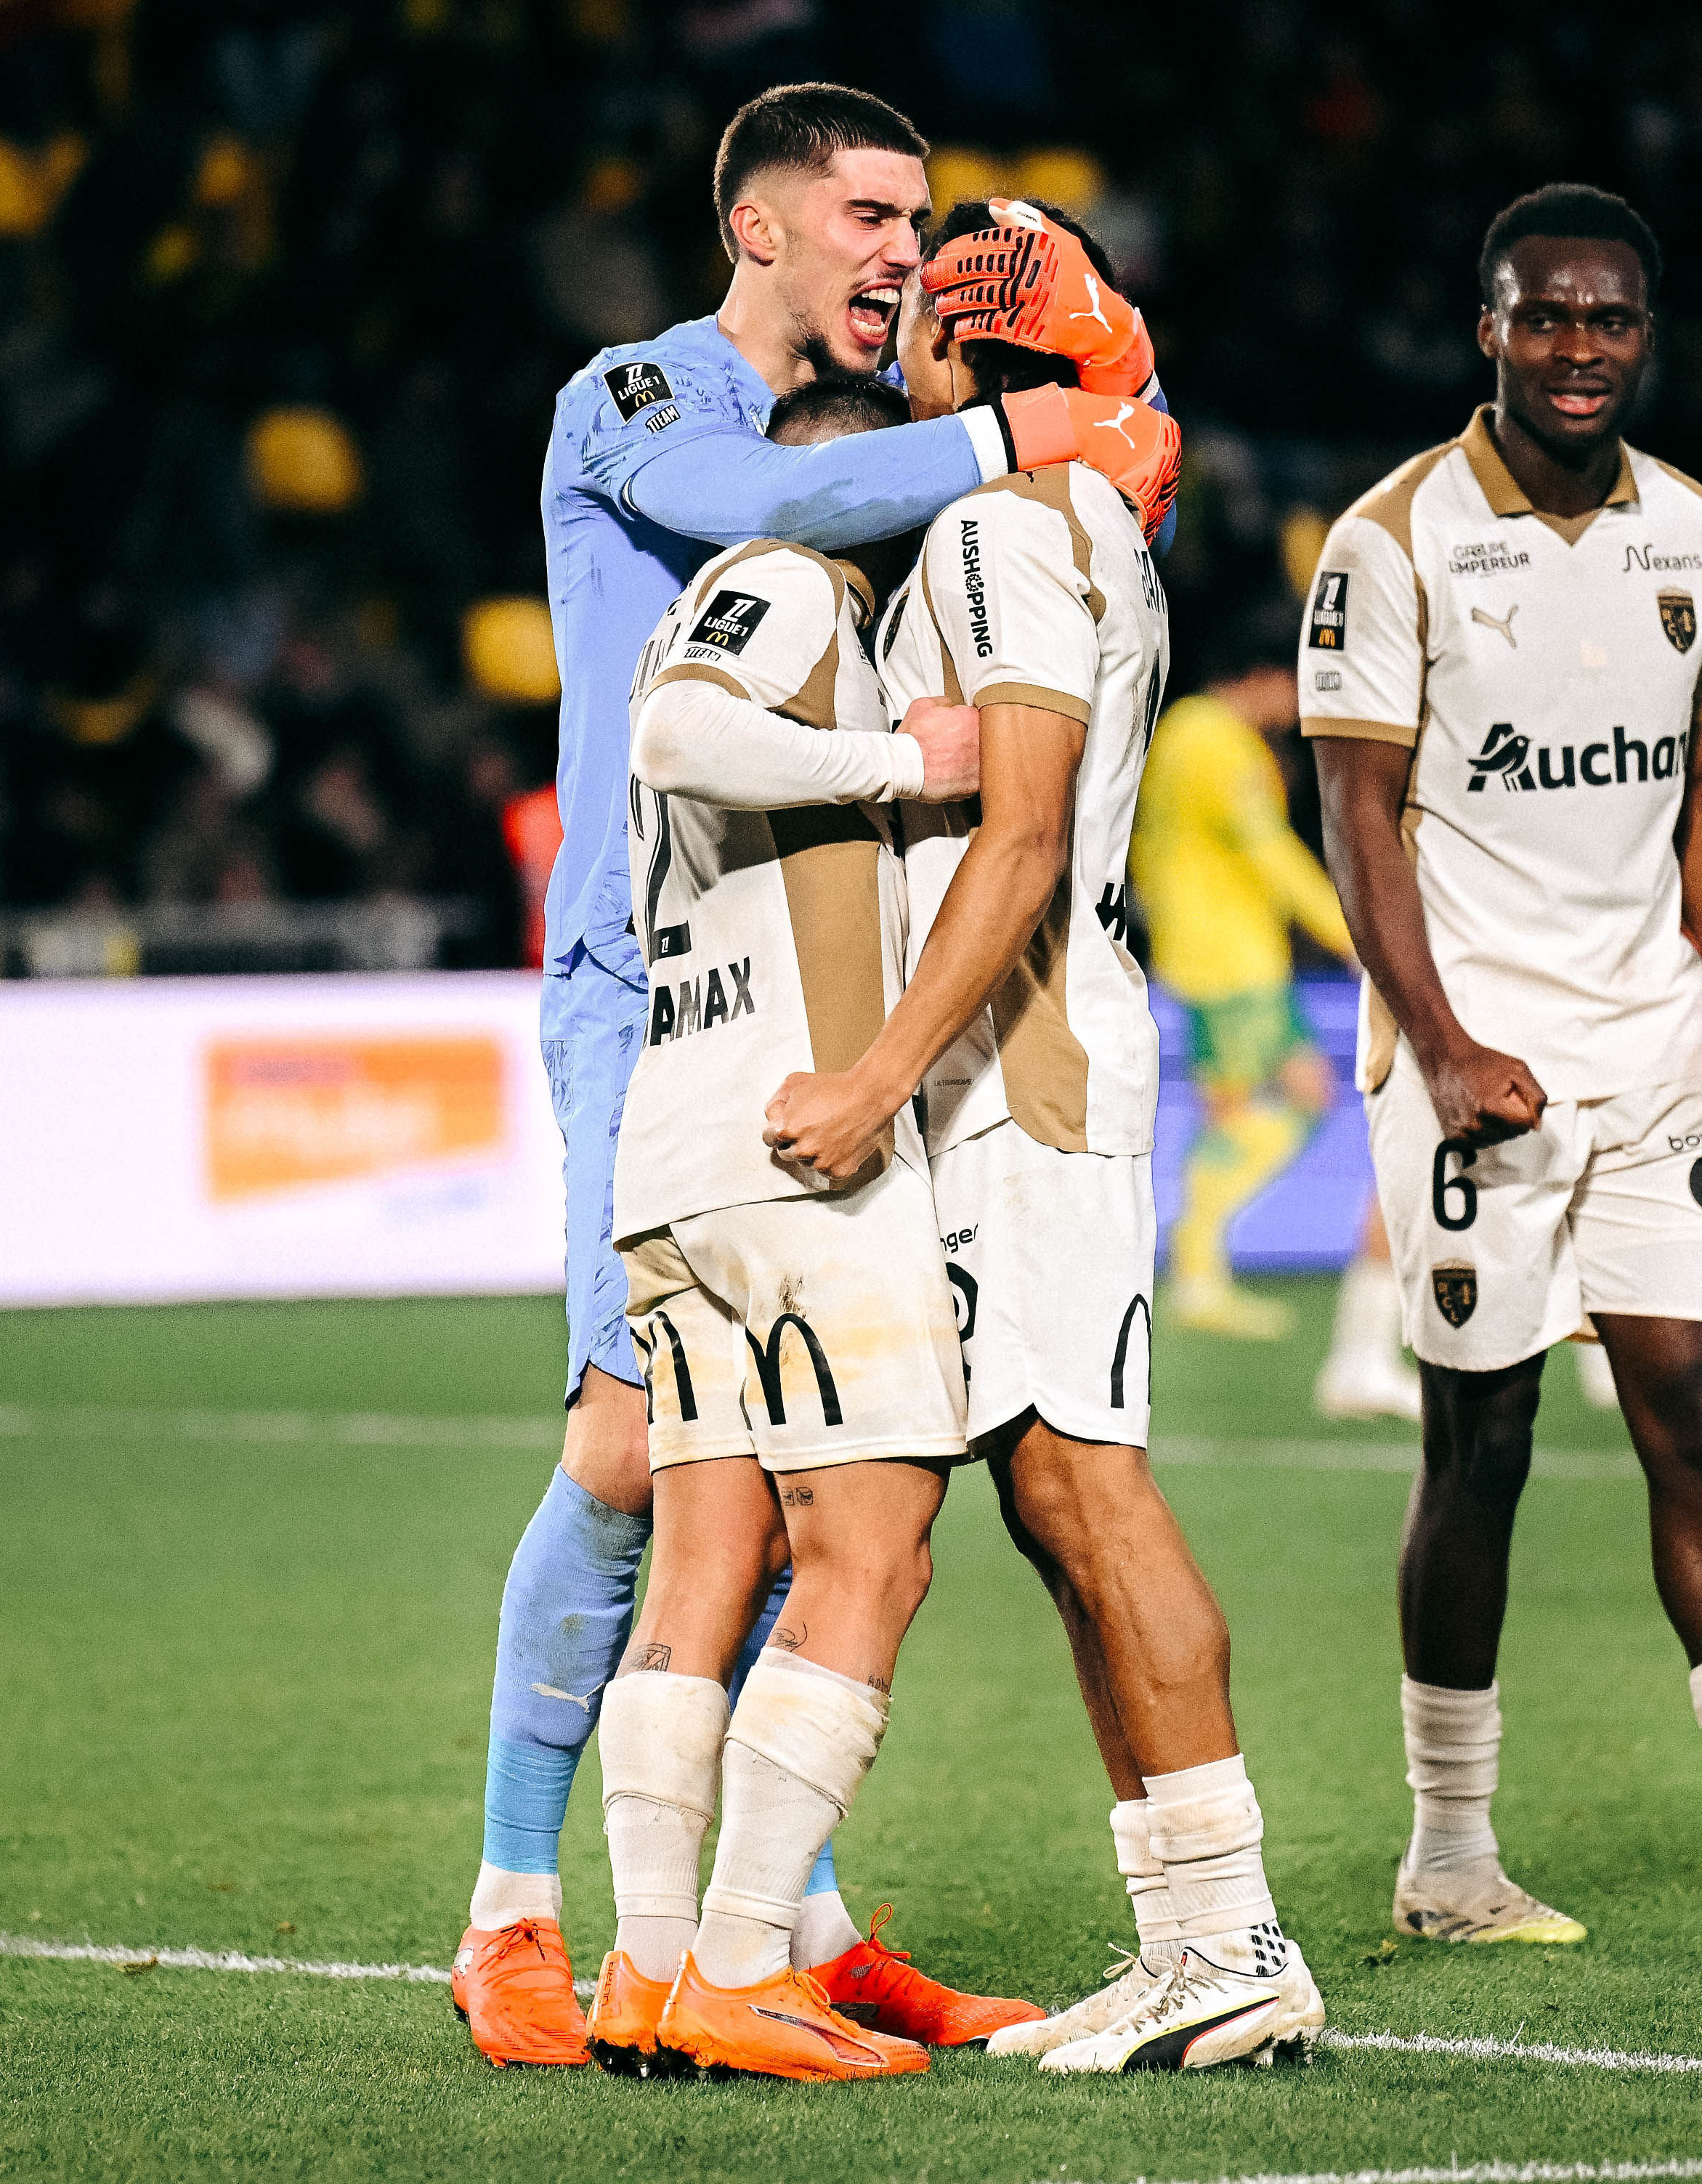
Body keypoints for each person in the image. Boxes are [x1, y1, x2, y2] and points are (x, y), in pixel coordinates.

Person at [458, 79, 1181, 2070]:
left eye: (922, 213)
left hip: (823, 995)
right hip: (653, 980)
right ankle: (513, 1908)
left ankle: (792, 1921)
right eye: (869, 211)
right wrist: (1029, 425)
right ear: (756, 222)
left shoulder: (878, 460)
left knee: (815, 1467)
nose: (902, 247)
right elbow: (743, 520)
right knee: (634, 1444)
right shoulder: (639, 399)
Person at [762, 196, 1321, 2074]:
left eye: (927, 325)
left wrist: (874, 1074)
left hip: (1030, 1063)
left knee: (1088, 1482)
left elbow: (1015, 832)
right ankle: (1188, 1937)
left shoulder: (1002, 528)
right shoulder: (1067, 523)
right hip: (1030, 1051)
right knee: (1053, 1489)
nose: (903, 356)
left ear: (976, 344)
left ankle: (1233, 1934)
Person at [1305, 184, 1702, 1955]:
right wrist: (1443, 1038)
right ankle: (1448, 1854)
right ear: (1484, 327)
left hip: (1648, 1053)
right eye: (1543, 317)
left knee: (1697, 1415)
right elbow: (1353, 810)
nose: (1577, 349)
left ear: (1646, 335)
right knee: (1477, 1439)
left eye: (1608, 321)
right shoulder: (1391, 538)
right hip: (1475, 1057)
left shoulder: (1695, 536)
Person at [575, 374, 1029, 2082]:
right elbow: (677, 733)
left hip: (680, 1153)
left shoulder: (733, 607)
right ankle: (751, 1964)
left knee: (708, 1558)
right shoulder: (782, 580)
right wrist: (895, 756)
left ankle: (649, 1960)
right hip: (797, 1148)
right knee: (872, 1547)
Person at [1130, 635, 1427, 1419]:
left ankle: (1201, 1273)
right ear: (1260, 676)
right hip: (1233, 960)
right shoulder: (1216, 745)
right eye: (1294, 684)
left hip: (1200, 950)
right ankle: (1196, 1267)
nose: (1300, 704)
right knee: (1300, 1096)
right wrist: (1347, 930)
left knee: (1244, 1107)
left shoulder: (1178, 735)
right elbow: (1270, 853)